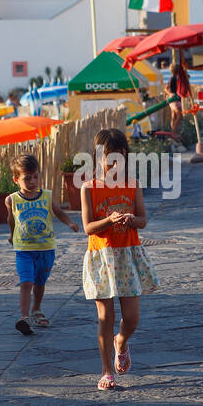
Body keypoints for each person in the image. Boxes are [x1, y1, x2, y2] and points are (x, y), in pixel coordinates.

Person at [81, 128, 159, 391]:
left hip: (127, 254)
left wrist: (130, 220)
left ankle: (121, 342)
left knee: (132, 317)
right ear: (98, 157)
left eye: (121, 157)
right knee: (105, 317)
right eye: (110, 158)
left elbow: (143, 220)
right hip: (101, 258)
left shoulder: (133, 184)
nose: (115, 163)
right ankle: (106, 371)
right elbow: (88, 227)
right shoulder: (89, 188)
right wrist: (108, 220)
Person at [8, 154, 79, 335]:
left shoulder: (46, 196)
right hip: (23, 249)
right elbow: (12, 220)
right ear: (16, 179)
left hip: (46, 249)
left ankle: (36, 309)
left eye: (35, 177)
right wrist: (11, 235)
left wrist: (69, 222)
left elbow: (58, 212)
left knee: (40, 282)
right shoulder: (13, 200)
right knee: (26, 282)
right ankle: (24, 317)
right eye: (27, 178)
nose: (32, 181)